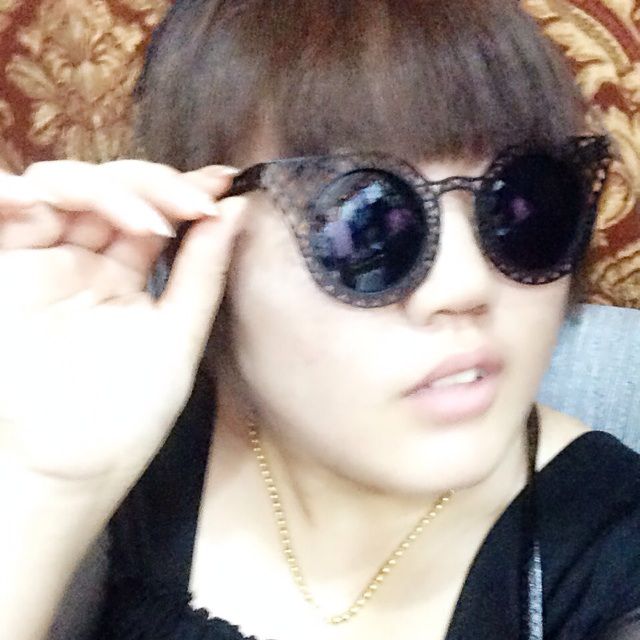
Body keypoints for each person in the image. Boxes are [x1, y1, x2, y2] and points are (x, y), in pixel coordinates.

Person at [1, 1, 639, 639]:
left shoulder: (611, 552)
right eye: (365, 221)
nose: (465, 285)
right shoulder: (118, 427)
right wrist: (45, 490)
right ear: (204, 235)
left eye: (524, 203)